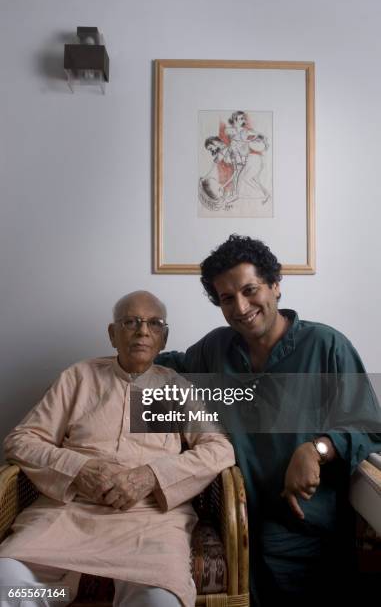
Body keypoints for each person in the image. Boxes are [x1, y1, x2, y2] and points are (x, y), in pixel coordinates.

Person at [157, 235, 381, 607]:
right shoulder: (217, 349)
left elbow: (370, 425)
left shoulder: (326, 346)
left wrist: (316, 449)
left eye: (250, 290)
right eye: (227, 298)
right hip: (236, 522)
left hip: (307, 529)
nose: (241, 307)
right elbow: (169, 369)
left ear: (275, 286)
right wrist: (96, 374)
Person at [0, 291, 235, 607]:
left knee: (158, 601)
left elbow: (219, 448)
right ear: (113, 334)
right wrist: (77, 468)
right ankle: (55, 594)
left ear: (163, 339)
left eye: (154, 324)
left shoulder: (176, 389)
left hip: (150, 518)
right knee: (8, 584)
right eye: (130, 322)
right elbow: (21, 440)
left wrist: (152, 475)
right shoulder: (78, 378)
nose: (142, 331)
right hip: (68, 514)